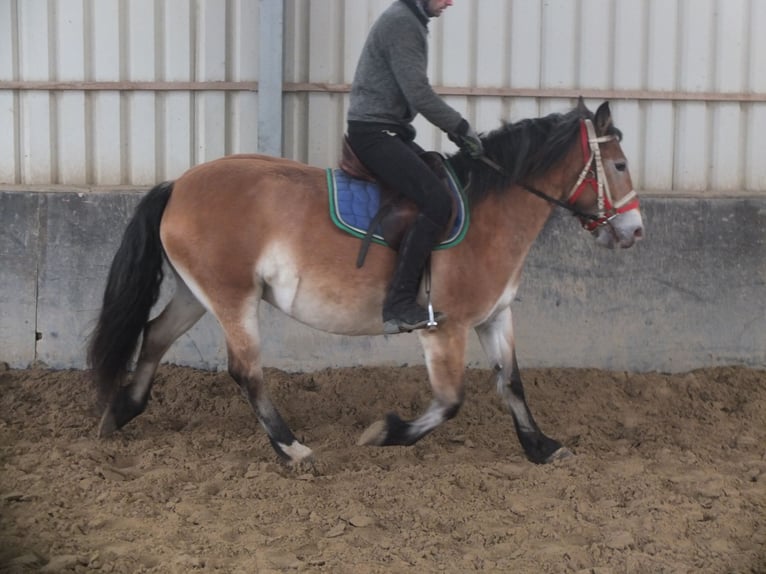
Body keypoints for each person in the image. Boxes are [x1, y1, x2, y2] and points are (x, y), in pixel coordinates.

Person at [347, 0, 483, 335]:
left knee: (441, 180)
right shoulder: (402, 22)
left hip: (390, 130)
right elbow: (418, 94)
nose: (450, 2)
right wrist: (460, 127)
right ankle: (399, 304)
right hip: (375, 133)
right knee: (438, 201)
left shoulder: (410, 20)